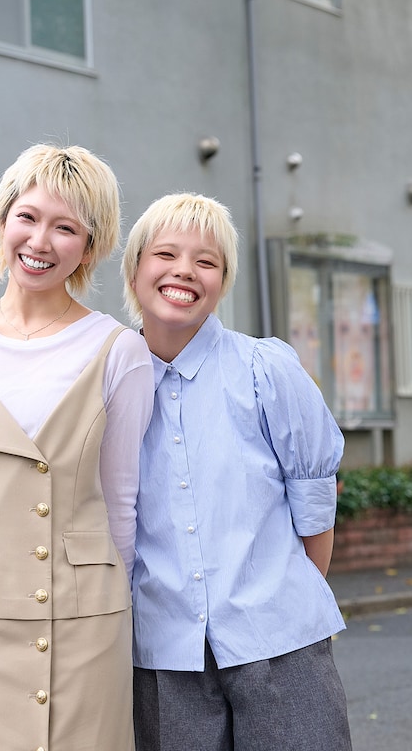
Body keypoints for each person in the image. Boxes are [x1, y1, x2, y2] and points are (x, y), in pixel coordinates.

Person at [0, 143, 153, 751]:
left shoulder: (119, 351)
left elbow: (121, 500)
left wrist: (111, 606)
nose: (40, 241)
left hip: (83, 618)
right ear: (2, 219)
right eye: (28, 217)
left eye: (65, 227)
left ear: (90, 248)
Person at [121, 193, 352, 751]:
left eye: (206, 261)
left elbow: (315, 501)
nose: (184, 271)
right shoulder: (113, 383)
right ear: (134, 270)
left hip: (279, 643)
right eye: (166, 254)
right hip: (163, 654)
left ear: (223, 280)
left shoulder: (265, 369)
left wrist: (274, 601)